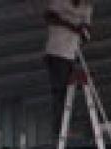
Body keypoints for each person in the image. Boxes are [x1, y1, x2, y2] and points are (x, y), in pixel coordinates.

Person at [44, 0, 93, 135]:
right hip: (56, 52)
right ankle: (59, 129)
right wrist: (72, 26)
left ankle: (68, 126)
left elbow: (87, 29)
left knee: (68, 93)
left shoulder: (86, 7)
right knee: (60, 92)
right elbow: (49, 17)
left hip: (72, 54)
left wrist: (84, 32)